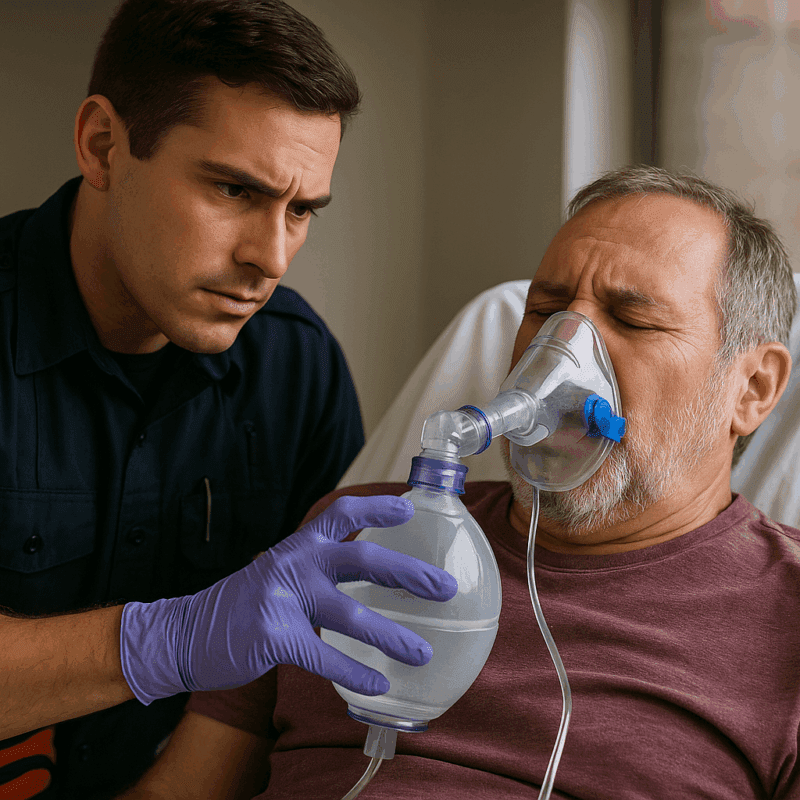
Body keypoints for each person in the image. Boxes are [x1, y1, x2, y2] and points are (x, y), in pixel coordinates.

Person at [117, 165, 800, 799]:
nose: (559, 354)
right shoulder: (354, 536)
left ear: (754, 388)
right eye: (547, 309)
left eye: (632, 319)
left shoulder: (785, 620)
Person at [0, 1, 457, 798]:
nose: (271, 256)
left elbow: (278, 696)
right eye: (234, 191)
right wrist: (165, 640)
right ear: (103, 145)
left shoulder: (296, 366)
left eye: (302, 210)